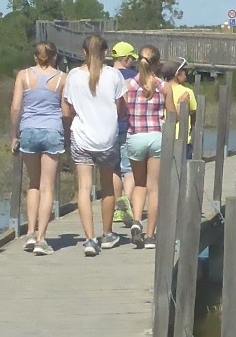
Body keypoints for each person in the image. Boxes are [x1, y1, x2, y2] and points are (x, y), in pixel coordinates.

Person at [62, 34, 127, 257]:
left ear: (83, 53)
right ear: (106, 53)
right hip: (107, 138)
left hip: (81, 137)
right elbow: (121, 108)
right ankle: (108, 233)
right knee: (108, 186)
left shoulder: (73, 76)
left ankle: (90, 239)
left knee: (84, 188)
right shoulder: (115, 75)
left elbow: (67, 110)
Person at [10, 42, 66, 256]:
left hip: (29, 131)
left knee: (33, 184)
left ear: (35, 57)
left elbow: (16, 107)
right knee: (47, 187)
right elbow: (65, 110)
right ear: (54, 57)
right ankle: (42, 239)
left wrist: (13, 134)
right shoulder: (62, 78)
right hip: (52, 131)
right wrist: (67, 134)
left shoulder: (23, 76)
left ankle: (30, 233)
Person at [123, 45, 177, 250]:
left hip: (135, 137)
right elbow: (172, 114)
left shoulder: (129, 85)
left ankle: (136, 220)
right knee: (154, 188)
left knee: (139, 184)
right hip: (155, 137)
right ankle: (150, 235)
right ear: (156, 63)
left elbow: (123, 112)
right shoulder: (163, 86)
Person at [109, 41, 140, 228]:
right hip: (128, 126)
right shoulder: (134, 76)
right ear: (126, 58)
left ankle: (114, 207)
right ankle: (126, 201)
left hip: (109, 128)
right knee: (129, 170)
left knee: (114, 169)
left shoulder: (105, 75)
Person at [162, 56, 197, 155]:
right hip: (181, 138)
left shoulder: (161, 89)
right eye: (185, 71)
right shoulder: (187, 92)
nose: (187, 74)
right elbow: (193, 113)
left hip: (162, 137)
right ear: (178, 74)